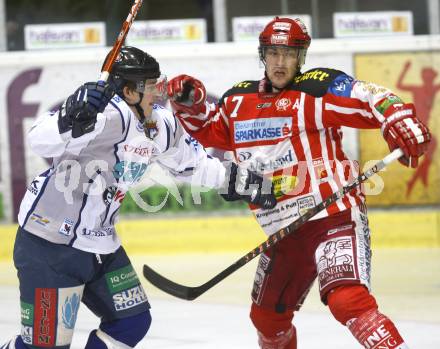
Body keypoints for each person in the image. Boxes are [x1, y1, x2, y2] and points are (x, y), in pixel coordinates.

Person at [166, 17, 431, 349]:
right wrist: (187, 100)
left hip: (331, 219)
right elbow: (208, 129)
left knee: (346, 300)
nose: (280, 62)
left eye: (289, 54)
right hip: (285, 232)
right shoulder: (237, 101)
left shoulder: (315, 90)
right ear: (263, 55)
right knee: (267, 319)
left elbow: (368, 97)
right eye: (273, 53)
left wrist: (398, 117)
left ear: (301, 57)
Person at [3, 46, 276, 349]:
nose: (158, 92)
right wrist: (69, 117)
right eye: (151, 85)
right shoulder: (100, 116)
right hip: (49, 244)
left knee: (131, 322)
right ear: (130, 91)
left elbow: (193, 164)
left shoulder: (160, 124)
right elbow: (40, 139)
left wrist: (239, 180)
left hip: (100, 245)